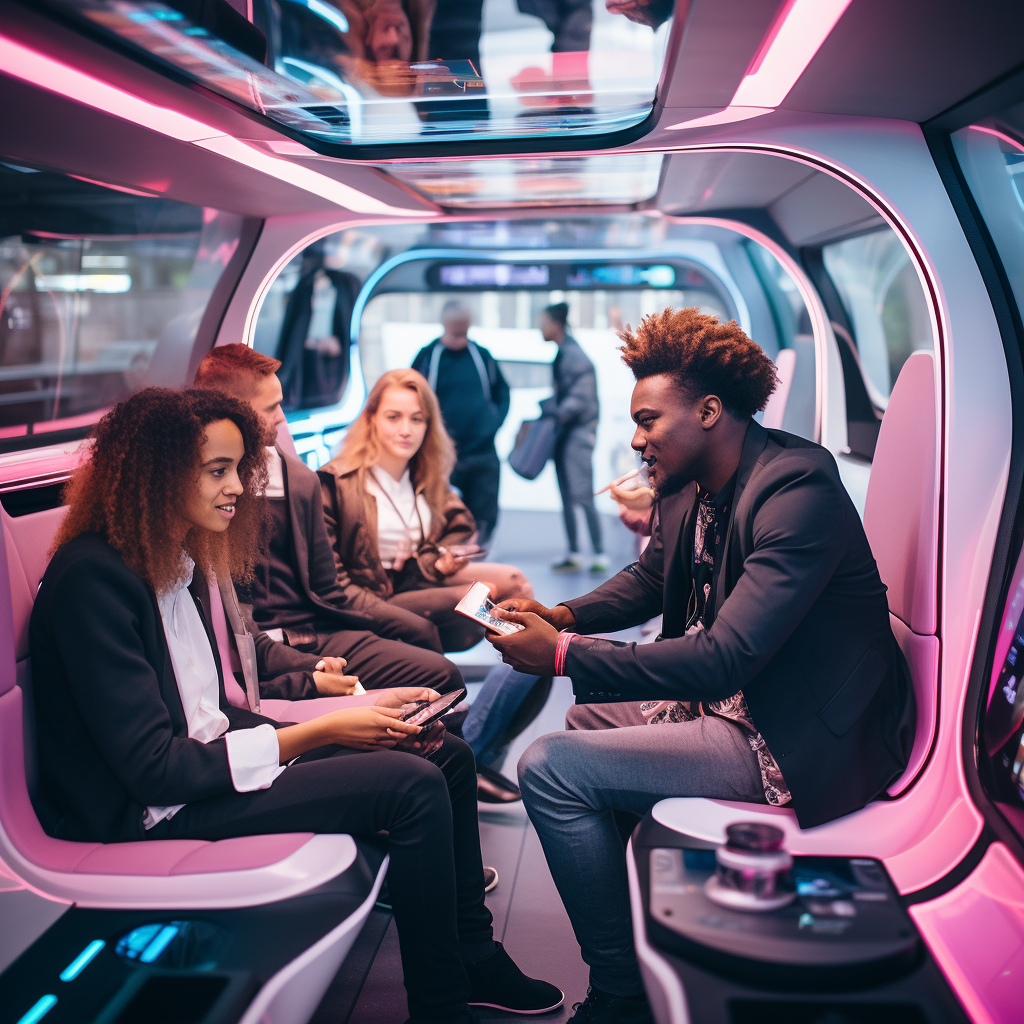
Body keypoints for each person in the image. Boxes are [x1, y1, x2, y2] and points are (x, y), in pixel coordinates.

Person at [30, 386, 563, 1024]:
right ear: (158, 472)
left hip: (199, 777)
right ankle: (441, 1005)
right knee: (411, 789)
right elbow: (155, 770)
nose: (237, 488)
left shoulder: (176, 560)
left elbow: (209, 723)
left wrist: (355, 729)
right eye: (217, 471)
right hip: (149, 812)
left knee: (443, 756)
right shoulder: (94, 580)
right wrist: (319, 733)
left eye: (239, 469)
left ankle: (473, 954)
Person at [488, 307, 917, 1024]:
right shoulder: (696, 481)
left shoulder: (796, 489)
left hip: (788, 733)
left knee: (550, 767)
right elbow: (652, 580)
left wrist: (562, 655)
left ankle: (621, 993)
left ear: (710, 411)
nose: (636, 437)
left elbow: (725, 660)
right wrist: (565, 617)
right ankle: (641, 915)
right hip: (744, 700)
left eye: (650, 420)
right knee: (587, 718)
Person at [319, 368, 551, 802]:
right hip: (378, 596)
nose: (406, 430)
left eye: (417, 419)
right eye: (393, 417)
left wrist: (439, 554)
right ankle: (474, 751)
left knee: (519, 598)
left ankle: (480, 747)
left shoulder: (425, 475)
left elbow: (460, 528)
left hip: (420, 582)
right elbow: (335, 580)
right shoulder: (340, 481)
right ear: (370, 419)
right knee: (516, 615)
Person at [193, 345, 463, 696]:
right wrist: (306, 665)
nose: (282, 418)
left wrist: (409, 624)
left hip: (318, 629)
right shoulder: (205, 492)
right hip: (265, 645)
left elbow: (328, 587)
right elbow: (237, 622)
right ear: (232, 410)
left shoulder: (300, 479)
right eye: (272, 407)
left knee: (440, 668)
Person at [412, 300, 510, 546]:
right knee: (441, 515)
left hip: (483, 452)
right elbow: (412, 397)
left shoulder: (482, 356)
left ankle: (480, 558)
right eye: (456, 330)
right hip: (441, 454)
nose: (461, 337)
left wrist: (492, 424)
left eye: (464, 331)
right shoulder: (428, 357)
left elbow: (503, 394)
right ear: (444, 324)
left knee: (485, 514)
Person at [539, 302, 605, 573]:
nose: (539, 327)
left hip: (578, 435)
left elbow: (581, 400)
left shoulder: (574, 355)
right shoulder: (564, 353)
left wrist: (554, 412)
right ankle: (575, 552)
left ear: (556, 324)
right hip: (566, 434)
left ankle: (599, 554)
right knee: (568, 495)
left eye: (542, 322)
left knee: (582, 494)